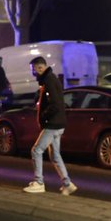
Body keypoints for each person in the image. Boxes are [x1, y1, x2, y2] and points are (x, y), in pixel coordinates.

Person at [24, 56, 76, 196]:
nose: (33, 73)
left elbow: (55, 104)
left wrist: (44, 116)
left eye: (33, 70)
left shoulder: (49, 81)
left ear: (40, 68)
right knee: (55, 155)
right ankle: (67, 184)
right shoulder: (50, 79)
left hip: (53, 124)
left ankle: (39, 183)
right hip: (58, 123)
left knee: (36, 150)